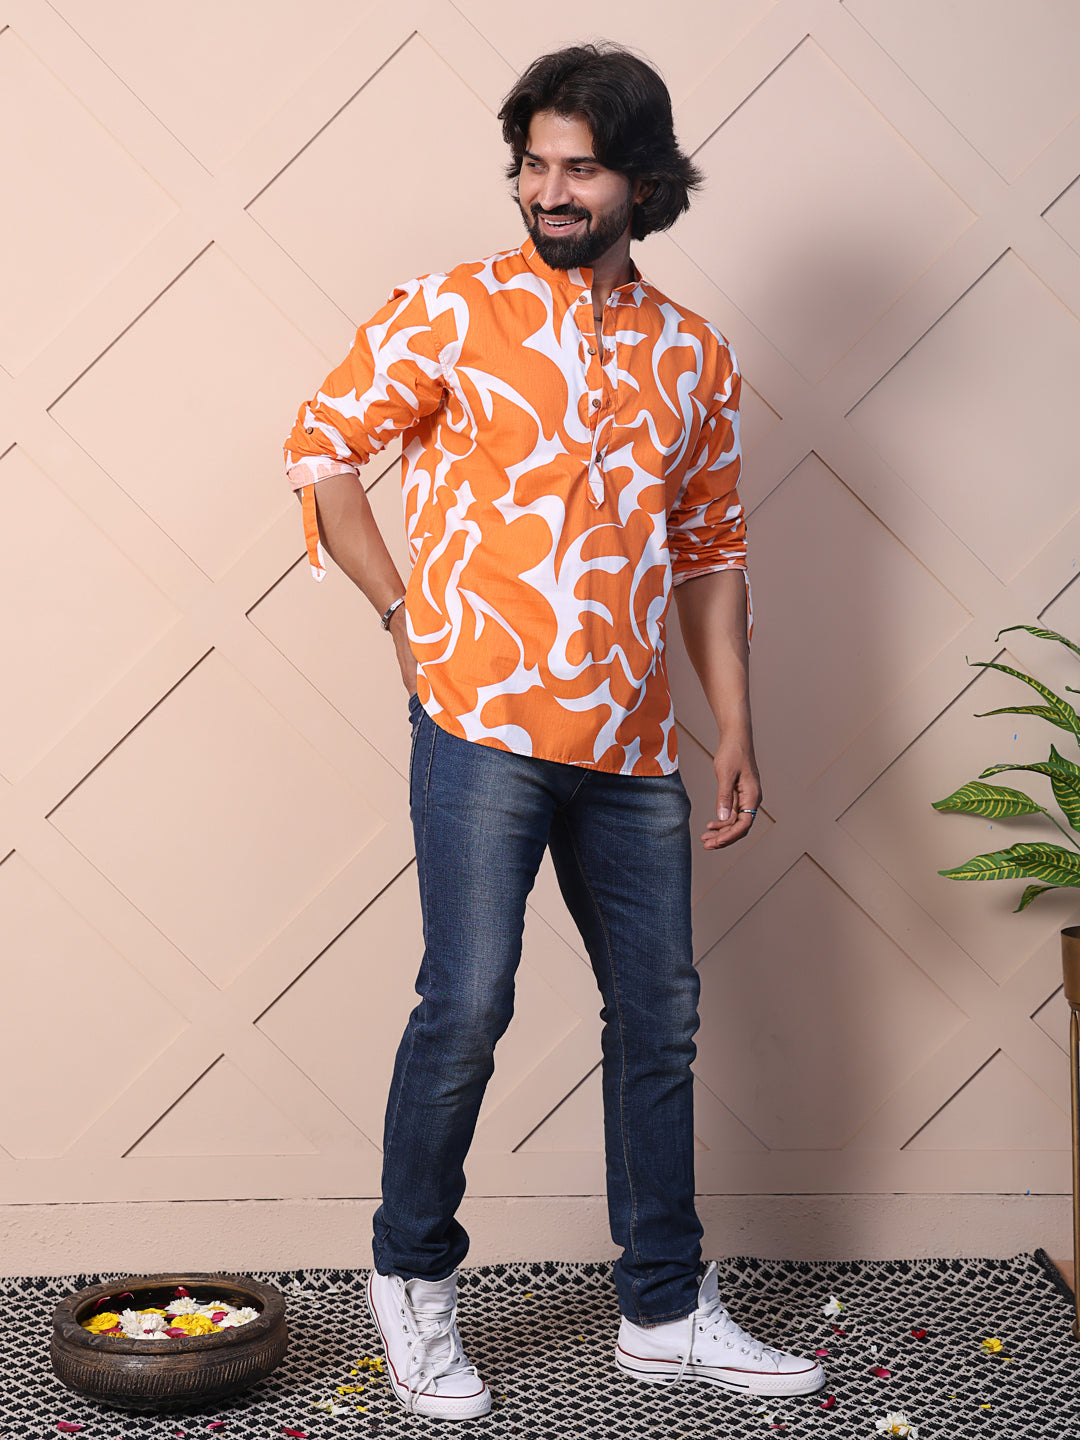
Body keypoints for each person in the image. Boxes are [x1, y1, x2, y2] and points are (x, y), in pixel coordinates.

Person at [283, 42, 825, 1421]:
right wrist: (401, 613)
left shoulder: (694, 354)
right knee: (468, 1003)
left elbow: (710, 553)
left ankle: (664, 1307)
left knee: (660, 1021)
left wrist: (734, 728)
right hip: (480, 723)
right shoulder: (450, 310)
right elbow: (322, 445)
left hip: (633, 748)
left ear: (641, 179)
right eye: (532, 163)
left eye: (579, 167)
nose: (548, 190)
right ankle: (413, 1279)